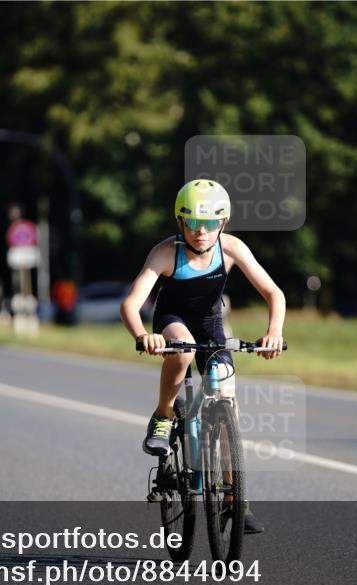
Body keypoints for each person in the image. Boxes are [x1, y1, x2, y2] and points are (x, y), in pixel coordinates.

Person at [120, 180, 286, 534]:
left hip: (210, 323)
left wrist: (274, 331)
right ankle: (164, 415)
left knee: (227, 403)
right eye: (193, 222)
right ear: (180, 222)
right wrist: (143, 335)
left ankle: (234, 501)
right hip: (173, 320)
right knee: (182, 351)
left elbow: (274, 293)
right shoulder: (166, 252)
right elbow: (131, 304)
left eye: (210, 223)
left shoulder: (231, 248)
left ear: (223, 222)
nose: (201, 231)